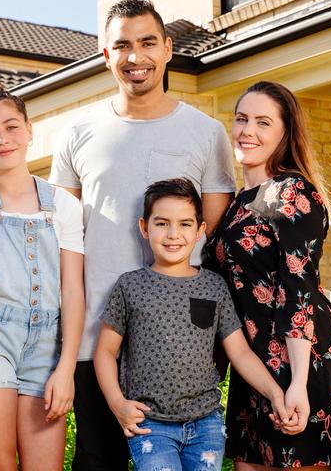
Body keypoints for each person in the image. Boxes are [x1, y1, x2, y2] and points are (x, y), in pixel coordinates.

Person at [49, 0, 236, 470]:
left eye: (148, 42)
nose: (136, 57)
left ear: (169, 48)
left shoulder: (206, 132)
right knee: (97, 460)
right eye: (123, 46)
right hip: (97, 336)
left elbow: (209, 244)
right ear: (105, 55)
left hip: (181, 345)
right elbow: (62, 238)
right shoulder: (77, 132)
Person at [205, 81, 331, 470]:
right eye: (241, 119)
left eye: (262, 122)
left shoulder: (294, 193)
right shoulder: (238, 202)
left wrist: (298, 385)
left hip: (300, 360)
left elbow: (298, 290)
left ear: (285, 133)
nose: (247, 131)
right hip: (253, 367)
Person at [94, 178, 290, 471]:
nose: (174, 234)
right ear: (144, 227)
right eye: (162, 223)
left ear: (200, 230)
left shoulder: (213, 286)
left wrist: (275, 394)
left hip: (206, 424)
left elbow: (239, 353)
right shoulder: (130, 285)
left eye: (185, 224)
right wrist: (117, 403)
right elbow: (105, 352)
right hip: (150, 424)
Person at [0, 71, 85, 470]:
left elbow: (73, 290)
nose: (2, 138)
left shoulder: (64, 205)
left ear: (30, 131)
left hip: (47, 345)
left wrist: (66, 368)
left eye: (12, 127)